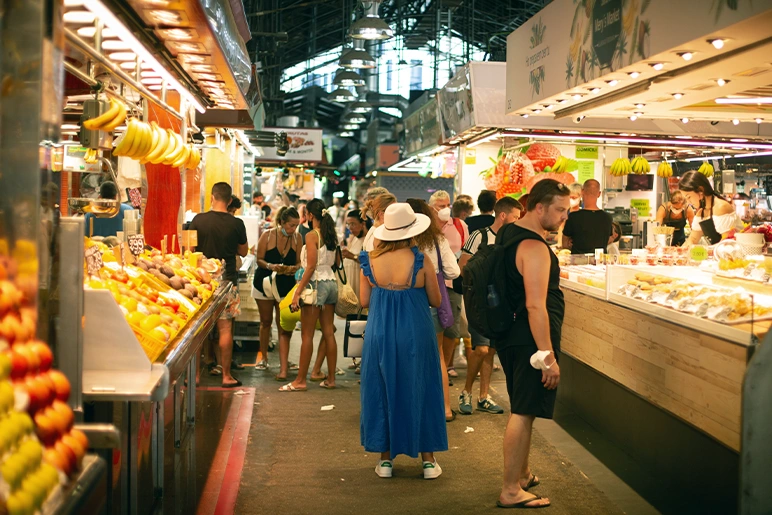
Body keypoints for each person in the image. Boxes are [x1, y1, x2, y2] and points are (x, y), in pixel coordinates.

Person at [495, 179, 569, 509]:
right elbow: (535, 305)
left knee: (524, 408)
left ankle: (521, 475)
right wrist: (547, 356)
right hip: (529, 342)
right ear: (539, 207)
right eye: (560, 210)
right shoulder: (534, 247)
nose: (564, 217)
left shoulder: (510, 232)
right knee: (523, 412)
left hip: (513, 337)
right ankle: (511, 489)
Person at [359, 203, 447, 479]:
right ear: (412, 231)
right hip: (416, 329)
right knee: (421, 385)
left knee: (381, 387)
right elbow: (436, 300)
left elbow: (363, 301)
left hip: (380, 330)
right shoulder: (422, 259)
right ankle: (428, 462)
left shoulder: (369, 259)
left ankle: (385, 461)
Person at [458, 197, 522, 417]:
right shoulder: (480, 235)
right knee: (481, 348)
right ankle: (466, 392)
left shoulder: (513, 238)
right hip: (479, 301)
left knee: (491, 350)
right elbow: (462, 266)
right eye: (515, 216)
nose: (517, 221)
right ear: (503, 215)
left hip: (501, 302)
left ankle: (483, 397)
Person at [189, 182, 248, 388]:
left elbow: (190, 249)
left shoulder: (198, 220)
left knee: (198, 330)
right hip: (227, 282)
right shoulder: (237, 224)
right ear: (230, 200)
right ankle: (226, 376)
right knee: (225, 329)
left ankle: (194, 376)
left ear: (212, 197)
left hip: (202, 282)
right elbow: (244, 251)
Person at [406, 198, 460, 422]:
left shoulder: (400, 240)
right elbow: (454, 272)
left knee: (408, 355)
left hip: (406, 303)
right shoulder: (437, 239)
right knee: (437, 356)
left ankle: (412, 408)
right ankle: (445, 408)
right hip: (433, 302)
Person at [282, 199, 341, 391]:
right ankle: (331, 380)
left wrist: (297, 292)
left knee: (307, 334)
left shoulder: (311, 236)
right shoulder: (332, 235)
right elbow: (337, 262)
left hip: (316, 284)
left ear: (310, 215)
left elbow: (311, 266)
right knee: (328, 332)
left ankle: (300, 381)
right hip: (331, 282)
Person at [252, 206, 302, 379]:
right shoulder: (267, 235)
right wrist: (270, 266)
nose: (293, 229)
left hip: (285, 284)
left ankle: (284, 359)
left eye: (296, 226)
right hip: (264, 282)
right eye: (291, 225)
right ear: (282, 222)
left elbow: (299, 263)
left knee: (283, 323)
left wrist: (292, 269)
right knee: (265, 321)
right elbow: (258, 259)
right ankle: (264, 357)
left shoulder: (298, 238)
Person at [428, 190, 468, 382]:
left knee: (450, 326)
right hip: (430, 285)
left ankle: (447, 363)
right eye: (440, 206)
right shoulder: (426, 228)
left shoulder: (460, 226)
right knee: (433, 328)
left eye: (447, 206)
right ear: (431, 207)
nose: (445, 209)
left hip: (452, 284)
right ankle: (437, 364)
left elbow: (467, 253)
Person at [679, 171, 742, 246]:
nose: (688, 201)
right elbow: (692, 239)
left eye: (689, 197)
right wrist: (678, 252)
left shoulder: (721, 207)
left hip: (735, 254)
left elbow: (727, 242)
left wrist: (707, 250)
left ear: (700, 190)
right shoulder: (701, 213)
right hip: (719, 254)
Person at [561, 179, 613, 255]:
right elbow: (609, 239)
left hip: (577, 263)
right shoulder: (607, 217)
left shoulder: (573, 217)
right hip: (599, 262)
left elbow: (565, 244)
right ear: (599, 194)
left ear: (582, 192)